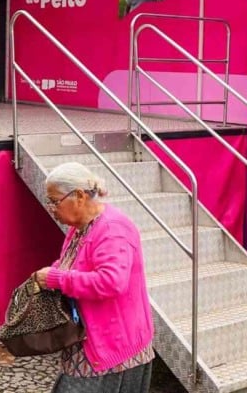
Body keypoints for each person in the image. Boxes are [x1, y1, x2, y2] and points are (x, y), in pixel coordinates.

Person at [34, 162, 155, 393]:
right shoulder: (79, 227)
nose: (51, 208)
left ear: (79, 195)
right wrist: (51, 273)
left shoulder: (112, 229)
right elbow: (69, 262)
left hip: (113, 346)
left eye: (55, 201)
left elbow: (111, 282)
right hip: (90, 339)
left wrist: (56, 279)